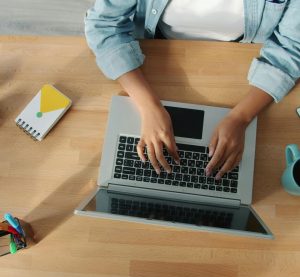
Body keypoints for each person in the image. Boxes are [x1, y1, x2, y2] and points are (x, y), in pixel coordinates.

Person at [84, 0, 300, 180]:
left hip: (242, 61)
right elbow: (103, 25)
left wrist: (240, 118)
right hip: (157, 57)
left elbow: (291, 47)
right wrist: (148, 106)